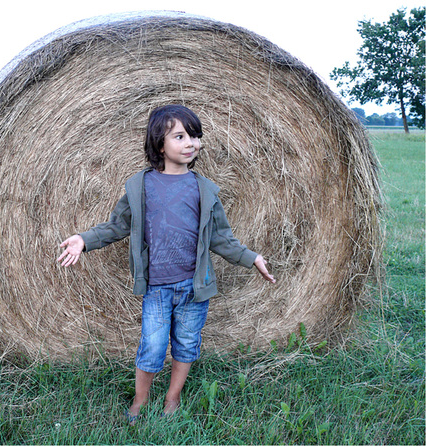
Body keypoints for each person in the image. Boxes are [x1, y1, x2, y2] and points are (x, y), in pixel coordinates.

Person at [57, 104, 275, 423]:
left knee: (186, 345)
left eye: (195, 136)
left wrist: (252, 257)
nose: (191, 143)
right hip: (157, 289)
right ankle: (140, 401)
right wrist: (84, 239)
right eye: (181, 136)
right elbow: (117, 225)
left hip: (193, 289)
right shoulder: (140, 186)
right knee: (152, 348)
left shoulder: (204, 190)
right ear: (160, 144)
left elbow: (220, 237)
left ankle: (172, 398)